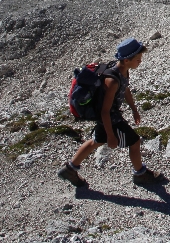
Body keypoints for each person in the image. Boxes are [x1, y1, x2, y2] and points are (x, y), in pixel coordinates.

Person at [57, 38, 164, 187]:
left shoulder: (122, 71)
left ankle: (70, 169)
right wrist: (111, 136)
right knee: (134, 141)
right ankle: (140, 174)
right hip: (111, 119)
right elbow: (105, 111)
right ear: (127, 60)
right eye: (138, 59)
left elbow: (125, 89)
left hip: (109, 117)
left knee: (96, 141)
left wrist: (134, 109)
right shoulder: (112, 81)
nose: (140, 61)